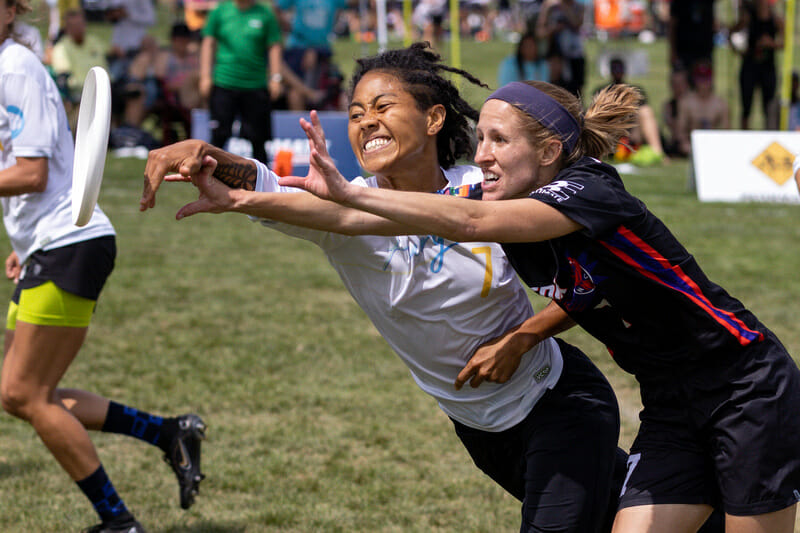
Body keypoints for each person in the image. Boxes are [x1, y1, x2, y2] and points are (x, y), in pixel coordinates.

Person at [142, 43, 626, 532]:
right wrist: (203, 153)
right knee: (624, 516)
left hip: (559, 404)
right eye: (355, 114)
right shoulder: (341, 210)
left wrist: (524, 337)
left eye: (382, 107)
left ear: (434, 118)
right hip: (481, 431)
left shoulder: (486, 191)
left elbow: (595, 279)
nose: (366, 122)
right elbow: (266, 186)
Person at [281, 79, 800, 532]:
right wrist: (246, 196)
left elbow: (467, 224)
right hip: (669, 402)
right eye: (481, 137)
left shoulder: (589, 190)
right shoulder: (508, 202)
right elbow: (386, 221)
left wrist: (352, 195)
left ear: (549, 150)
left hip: (745, 387)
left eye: (499, 140)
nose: (481, 154)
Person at [0, 2, 206, 531]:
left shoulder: (14, 69)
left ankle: (118, 522)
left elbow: (33, 172)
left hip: (71, 241)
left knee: (25, 392)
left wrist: (37, 236)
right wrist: (24, 242)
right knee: (17, 392)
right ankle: (168, 433)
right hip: (49, 243)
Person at [200, 0, 282, 163]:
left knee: (258, 139)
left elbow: (274, 46)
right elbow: (208, 43)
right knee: (219, 135)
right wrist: (205, 76)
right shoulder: (220, 11)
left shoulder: (265, 14)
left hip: (255, 85)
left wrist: (275, 78)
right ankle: (209, 180)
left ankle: (262, 183)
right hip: (224, 82)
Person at [593, 56, 666, 165]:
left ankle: (658, 152)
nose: (617, 72)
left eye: (620, 69)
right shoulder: (602, 91)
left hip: (633, 134)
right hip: (612, 136)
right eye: (615, 69)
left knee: (645, 111)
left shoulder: (635, 90)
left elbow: (641, 111)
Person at [730, 0, 783, 130]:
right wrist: (738, 51)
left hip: (768, 68)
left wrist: (771, 44)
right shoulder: (748, 18)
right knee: (746, 106)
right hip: (750, 67)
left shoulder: (776, 20)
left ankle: (769, 135)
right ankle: (744, 135)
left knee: (768, 108)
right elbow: (731, 32)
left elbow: (784, 42)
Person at [675, 61, 729, 156]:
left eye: (706, 79)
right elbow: (681, 130)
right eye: (700, 79)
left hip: (714, 144)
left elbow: (726, 130)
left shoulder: (721, 104)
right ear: (695, 80)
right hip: (692, 144)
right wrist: (685, 144)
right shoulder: (686, 102)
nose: (703, 83)